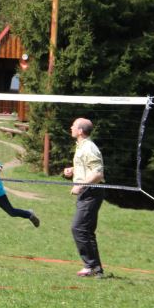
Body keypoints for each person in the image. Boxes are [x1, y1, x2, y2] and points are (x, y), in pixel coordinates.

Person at [63, 118, 106, 278]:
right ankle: (96, 268)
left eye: (73, 125)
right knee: (86, 231)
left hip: (91, 191)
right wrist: (73, 170)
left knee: (78, 228)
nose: (71, 127)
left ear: (80, 131)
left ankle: (91, 266)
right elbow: (88, 167)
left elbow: (98, 173)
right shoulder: (81, 146)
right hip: (88, 191)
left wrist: (80, 185)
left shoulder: (89, 147)